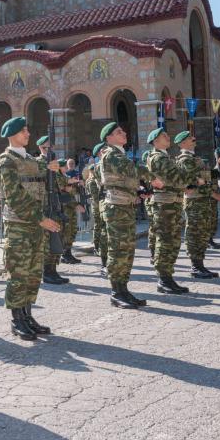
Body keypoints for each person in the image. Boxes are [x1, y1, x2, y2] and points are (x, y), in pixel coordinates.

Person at [0, 117, 61, 339]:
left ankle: (27, 315)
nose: (28, 133)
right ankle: (17, 319)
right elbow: (14, 197)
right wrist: (40, 219)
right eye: (23, 131)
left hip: (35, 226)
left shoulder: (31, 159)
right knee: (19, 274)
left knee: (33, 274)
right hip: (19, 226)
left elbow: (47, 179)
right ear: (12, 134)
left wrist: (53, 169)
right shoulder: (6, 162)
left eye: (27, 130)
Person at [97, 122, 163, 309]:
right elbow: (132, 170)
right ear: (109, 138)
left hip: (124, 206)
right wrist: (152, 177)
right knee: (119, 250)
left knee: (126, 250)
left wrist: (139, 191)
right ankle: (117, 292)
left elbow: (126, 180)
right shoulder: (111, 155)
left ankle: (123, 289)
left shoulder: (119, 154)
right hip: (116, 208)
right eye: (119, 132)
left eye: (123, 130)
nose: (124, 133)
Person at [173, 131, 220, 278]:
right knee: (195, 232)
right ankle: (195, 266)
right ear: (183, 143)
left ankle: (200, 265)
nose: (194, 139)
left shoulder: (195, 158)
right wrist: (216, 195)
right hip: (195, 200)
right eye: (190, 138)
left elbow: (204, 178)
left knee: (204, 232)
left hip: (203, 199)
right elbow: (195, 181)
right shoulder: (185, 159)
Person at [143, 128, 193, 294]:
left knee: (173, 241)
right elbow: (178, 179)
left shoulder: (165, 157)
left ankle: (168, 277)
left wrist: (184, 179)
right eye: (164, 136)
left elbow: (178, 180)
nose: (168, 136)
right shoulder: (158, 158)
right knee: (166, 242)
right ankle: (164, 279)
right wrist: (188, 179)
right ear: (155, 141)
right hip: (165, 205)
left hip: (172, 204)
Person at [34, 135, 68, 285]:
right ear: (41, 148)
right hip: (44, 206)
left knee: (57, 236)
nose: (49, 150)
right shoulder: (37, 163)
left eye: (50, 147)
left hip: (55, 204)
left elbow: (60, 183)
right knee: (47, 240)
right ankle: (46, 272)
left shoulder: (54, 163)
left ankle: (53, 269)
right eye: (46, 147)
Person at [85, 143, 108, 276]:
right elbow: (96, 195)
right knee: (99, 227)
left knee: (100, 227)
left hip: (100, 204)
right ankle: (97, 247)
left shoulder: (93, 178)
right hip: (97, 204)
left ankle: (99, 248)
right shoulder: (92, 181)